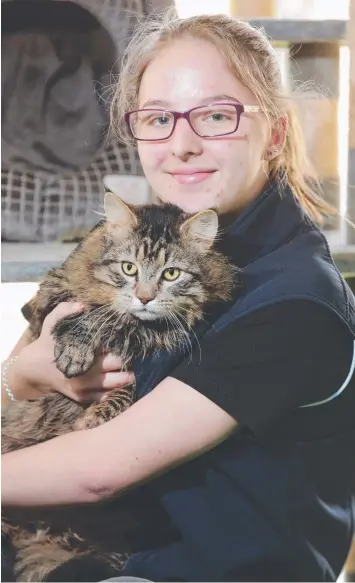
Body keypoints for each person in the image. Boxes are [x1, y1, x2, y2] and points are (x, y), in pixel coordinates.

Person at [2, 10, 355, 583]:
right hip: (69, 535)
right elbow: (22, 371)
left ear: (277, 134)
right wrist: (18, 376)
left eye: (216, 116)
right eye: (158, 118)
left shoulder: (297, 301)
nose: (182, 145)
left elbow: (101, 470)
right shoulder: (135, 236)